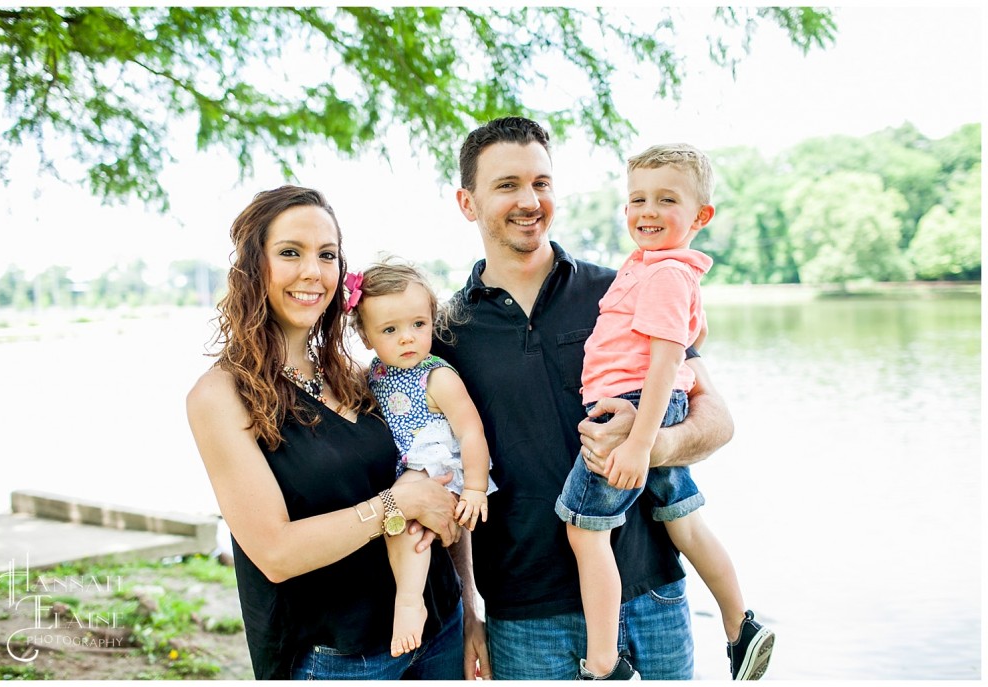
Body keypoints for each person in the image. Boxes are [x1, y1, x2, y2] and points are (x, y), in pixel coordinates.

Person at [432, 117, 735, 680]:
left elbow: (716, 420)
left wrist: (651, 444)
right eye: (507, 185)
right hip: (525, 618)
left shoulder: (624, 287)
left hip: (652, 595)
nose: (530, 200)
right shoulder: (445, 332)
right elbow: (446, 475)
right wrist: (469, 609)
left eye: (542, 183)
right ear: (467, 203)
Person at [186, 185, 465, 680]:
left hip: (440, 626)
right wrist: (395, 506)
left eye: (327, 255)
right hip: (342, 657)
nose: (313, 271)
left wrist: (470, 612)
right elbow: (274, 553)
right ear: (254, 266)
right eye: (290, 252)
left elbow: (438, 469)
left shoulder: (357, 375)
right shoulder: (221, 397)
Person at [556, 143, 774, 680]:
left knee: (586, 531)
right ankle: (739, 625)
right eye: (637, 199)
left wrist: (637, 444)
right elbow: (693, 334)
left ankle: (604, 662)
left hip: (633, 408)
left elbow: (664, 363)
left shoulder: (663, 274)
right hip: (651, 405)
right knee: (685, 521)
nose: (647, 211)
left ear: (701, 215)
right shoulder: (658, 268)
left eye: (666, 200)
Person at [349, 259, 498, 658]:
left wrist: (475, 488)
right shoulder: (373, 373)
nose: (407, 339)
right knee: (400, 524)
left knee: (400, 519)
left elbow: (471, 431)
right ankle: (410, 597)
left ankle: (410, 601)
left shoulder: (437, 376)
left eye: (418, 324)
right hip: (408, 468)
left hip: (435, 464)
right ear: (365, 336)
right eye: (390, 330)